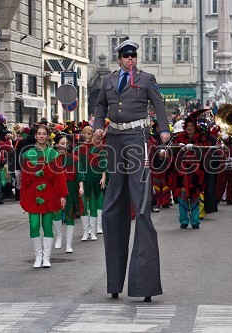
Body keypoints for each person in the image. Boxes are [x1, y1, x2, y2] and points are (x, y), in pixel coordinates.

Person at [93, 39, 170, 302]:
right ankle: (114, 282)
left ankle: (144, 285)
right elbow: (100, 106)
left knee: (142, 206)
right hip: (114, 139)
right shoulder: (109, 80)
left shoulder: (147, 79)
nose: (130, 60)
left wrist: (164, 130)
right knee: (113, 206)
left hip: (137, 139)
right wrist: (97, 125)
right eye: (126, 57)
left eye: (133, 56)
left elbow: (159, 105)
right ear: (119, 59)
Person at [20, 125, 67, 268]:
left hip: (49, 193)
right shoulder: (27, 155)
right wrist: (23, 199)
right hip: (32, 193)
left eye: (44, 134)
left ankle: (46, 257)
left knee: (47, 226)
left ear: (48, 136)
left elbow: (59, 176)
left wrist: (62, 196)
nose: (41, 136)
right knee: (33, 225)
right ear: (35, 136)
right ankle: (37, 256)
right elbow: (24, 179)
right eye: (39, 134)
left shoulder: (54, 154)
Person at [52, 134, 84, 253]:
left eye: (66, 143)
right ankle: (59, 237)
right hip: (56, 188)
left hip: (71, 187)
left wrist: (81, 187)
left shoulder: (74, 159)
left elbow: (79, 174)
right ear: (56, 145)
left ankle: (69, 244)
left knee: (70, 215)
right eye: (62, 143)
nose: (65, 146)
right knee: (56, 214)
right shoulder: (52, 158)